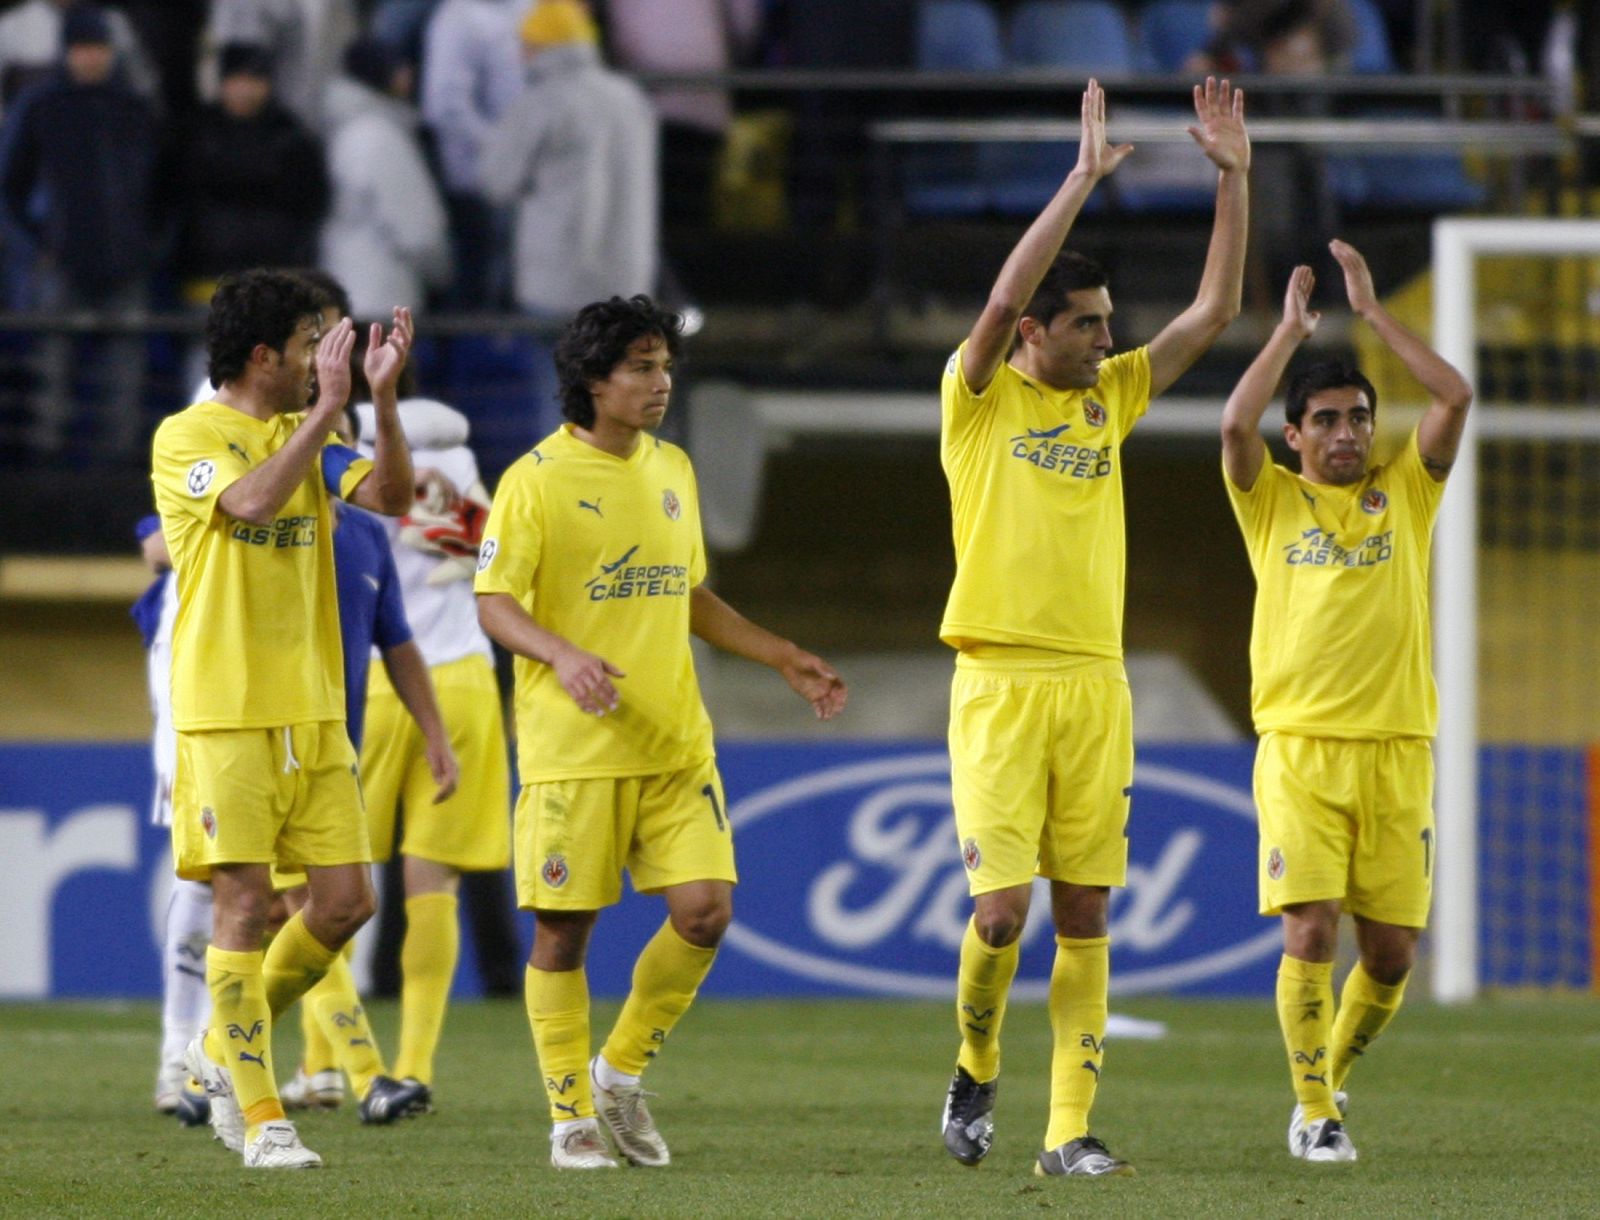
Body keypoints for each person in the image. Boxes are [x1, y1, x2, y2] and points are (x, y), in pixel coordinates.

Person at [935, 78, 1249, 1178]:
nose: (1107, 340)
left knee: (1083, 908)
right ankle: (975, 1058)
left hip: (1093, 683)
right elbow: (994, 299)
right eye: (1086, 324)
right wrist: (1078, 179)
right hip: (996, 683)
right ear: (1033, 331)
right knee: (1000, 916)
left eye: (1110, 324)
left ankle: (1067, 1129)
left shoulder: (1106, 398)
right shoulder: (977, 397)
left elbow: (1211, 314)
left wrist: (1233, 177)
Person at [475, 294, 847, 1170]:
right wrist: (562, 656)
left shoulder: (673, 467)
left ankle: (619, 1073)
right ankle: (568, 1117)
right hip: (576, 747)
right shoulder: (535, 479)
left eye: (665, 366)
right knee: (564, 934)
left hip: (676, 742)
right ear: (593, 381)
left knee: (707, 911)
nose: (660, 382)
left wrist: (780, 653)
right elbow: (494, 602)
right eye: (641, 366)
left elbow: (685, 594)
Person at [150, 268, 415, 1168]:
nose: (320, 359)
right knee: (246, 903)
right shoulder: (189, 435)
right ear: (264, 354)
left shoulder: (319, 430)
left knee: (345, 904)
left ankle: (220, 1049)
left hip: (314, 709)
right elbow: (253, 501)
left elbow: (391, 498)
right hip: (227, 712)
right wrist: (324, 414)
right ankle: (262, 1119)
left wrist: (377, 400)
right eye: (310, 344)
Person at [1219, 242, 1472, 1163]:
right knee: (1311, 926)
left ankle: (1325, 1076)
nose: (1346, 434)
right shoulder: (1272, 504)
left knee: (1395, 952)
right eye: (1325, 420)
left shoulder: (1405, 494)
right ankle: (1316, 1110)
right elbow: (1233, 427)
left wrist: (1372, 315)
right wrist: (1286, 333)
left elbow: (1453, 398)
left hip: (1400, 749)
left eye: (1358, 419)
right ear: (1298, 436)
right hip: (1300, 749)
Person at [344, 386, 513, 1111]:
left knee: (330, 893)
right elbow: (499, 554)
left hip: (376, 682)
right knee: (432, 887)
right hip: (466, 683)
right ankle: (414, 1067)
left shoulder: (347, 468)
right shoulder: (468, 473)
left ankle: (337, 1065)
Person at [478, 0, 657, 440]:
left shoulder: (541, 102)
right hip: (627, 284)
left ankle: (567, 505)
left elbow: (494, 180)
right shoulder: (629, 99)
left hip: (557, 288)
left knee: (561, 406)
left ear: (537, 47)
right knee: (623, 408)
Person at [0, 4, 161, 457]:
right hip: (61, 265)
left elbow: (165, 189)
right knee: (50, 382)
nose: (90, 57)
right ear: (65, 52)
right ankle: (44, 483)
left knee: (124, 388)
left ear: (111, 51)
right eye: (80, 48)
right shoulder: (41, 105)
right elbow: (8, 188)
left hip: (125, 264)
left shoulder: (134, 108)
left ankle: (115, 481)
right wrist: (38, 246)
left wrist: (149, 247)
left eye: (97, 47)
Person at [132, 516, 212, 1126]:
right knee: (209, 878)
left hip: (292, 698)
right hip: (202, 716)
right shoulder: (201, 444)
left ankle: (220, 1054)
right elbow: (155, 541)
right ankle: (181, 1057)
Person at [176, 42, 330, 298]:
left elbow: (310, 206)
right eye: (237, 80)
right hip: (208, 276)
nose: (244, 90)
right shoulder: (195, 135)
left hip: (275, 281)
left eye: (254, 80)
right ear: (223, 83)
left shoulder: (292, 138)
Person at [320, 35, 451, 317]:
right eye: (400, 67)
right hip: (381, 294)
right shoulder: (379, 137)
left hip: (350, 282)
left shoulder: (345, 127)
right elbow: (417, 230)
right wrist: (442, 274)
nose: (409, 74)